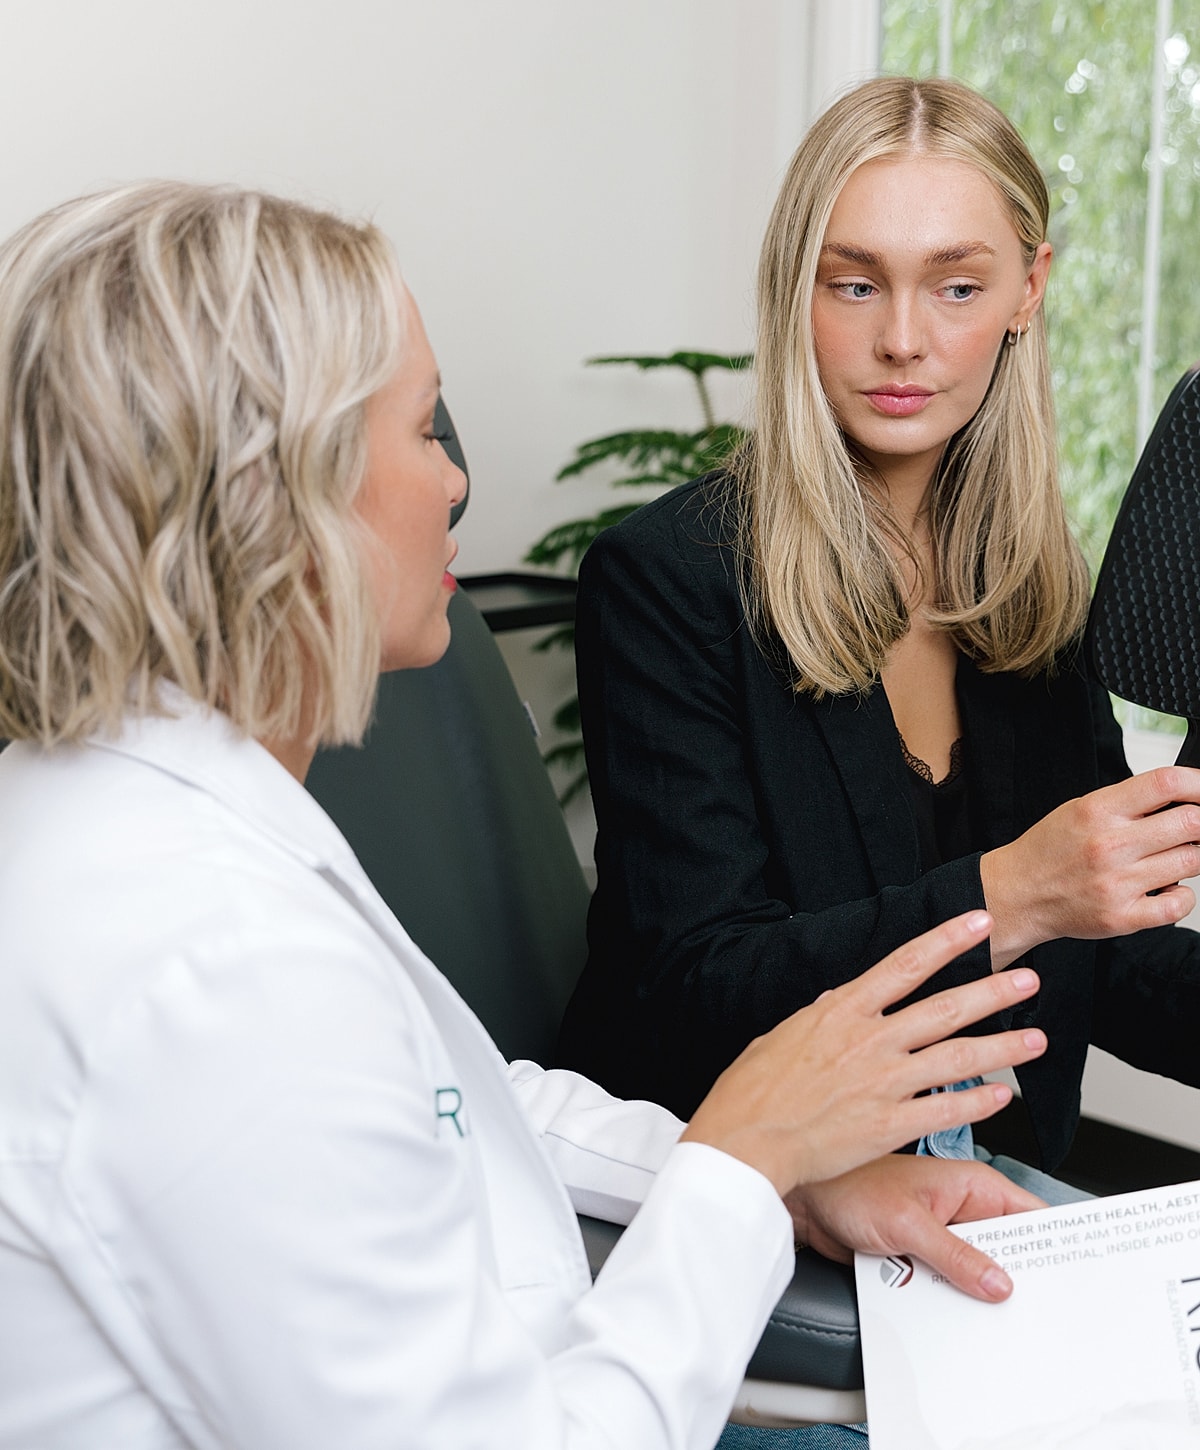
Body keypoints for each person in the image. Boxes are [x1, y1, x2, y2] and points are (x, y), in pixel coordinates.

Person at [0, 181, 1051, 1450]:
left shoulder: (138, 824)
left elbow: (463, 1099)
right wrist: (745, 1150)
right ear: (280, 493)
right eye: (421, 430)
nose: (454, 481)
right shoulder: (213, 961)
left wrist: (788, 1172)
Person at [556, 75, 1200, 1188]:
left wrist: (1071, 895)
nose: (903, 340)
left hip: (979, 1173)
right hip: (737, 1194)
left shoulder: (1029, 591)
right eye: (854, 285)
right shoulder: (666, 583)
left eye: (957, 286)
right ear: (792, 292)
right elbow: (703, 986)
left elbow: (1104, 953)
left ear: (1028, 292)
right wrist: (1018, 889)